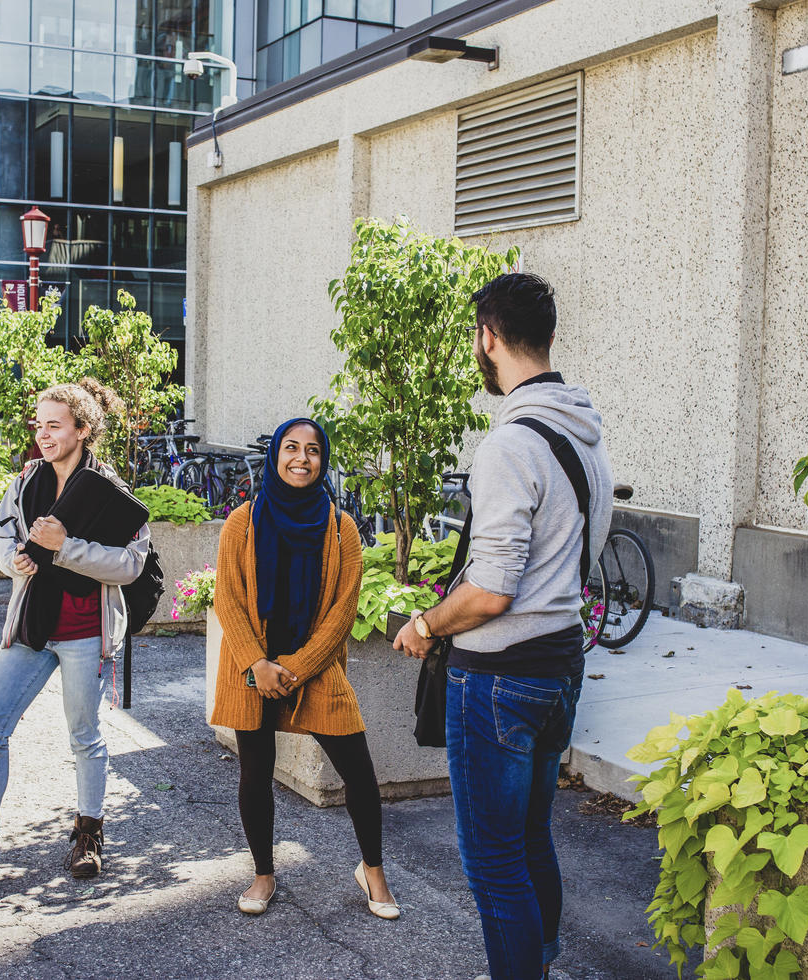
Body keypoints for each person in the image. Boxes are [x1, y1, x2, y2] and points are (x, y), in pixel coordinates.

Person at [393, 273, 613, 980]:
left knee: (493, 863)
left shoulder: (511, 445)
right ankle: (539, 964)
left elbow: (489, 592)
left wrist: (427, 621)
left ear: (488, 337)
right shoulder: (586, 436)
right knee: (528, 839)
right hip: (560, 664)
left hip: (498, 679)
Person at [0, 380, 150, 886]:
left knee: (84, 736)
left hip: (85, 631)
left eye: (55, 426)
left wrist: (66, 547)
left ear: (82, 430)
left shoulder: (109, 489)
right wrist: (15, 560)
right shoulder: (27, 480)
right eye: (39, 425)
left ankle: (88, 836)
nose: (44, 436)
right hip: (31, 628)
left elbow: (131, 565)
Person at [210, 417, 398, 919]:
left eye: (312, 450)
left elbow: (342, 612)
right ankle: (263, 874)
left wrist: (292, 668)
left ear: (323, 460)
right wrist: (258, 663)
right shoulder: (242, 522)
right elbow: (227, 598)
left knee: (359, 773)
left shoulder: (342, 528)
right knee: (255, 771)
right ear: (274, 456)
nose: (301, 458)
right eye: (290, 447)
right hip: (253, 666)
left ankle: (373, 872)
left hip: (311, 667)